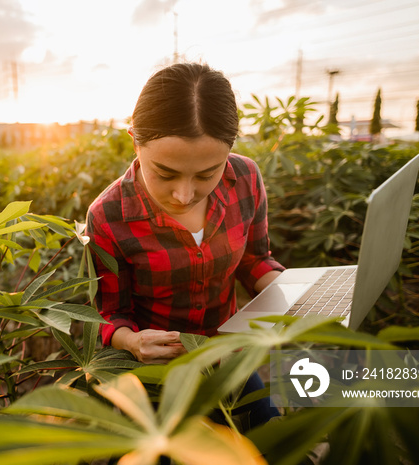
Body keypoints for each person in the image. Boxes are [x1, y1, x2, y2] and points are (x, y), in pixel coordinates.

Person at [85, 62, 284, 427]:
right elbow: (110, 314)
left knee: (274, 440)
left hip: (227, 355)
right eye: (165, 173)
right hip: (157, 374)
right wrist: (131, 342)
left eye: (208, 173)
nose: (184, 194)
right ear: (135, 141)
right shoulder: (108, 215)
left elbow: (255, 260)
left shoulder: (246, 178)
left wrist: (296, 296)